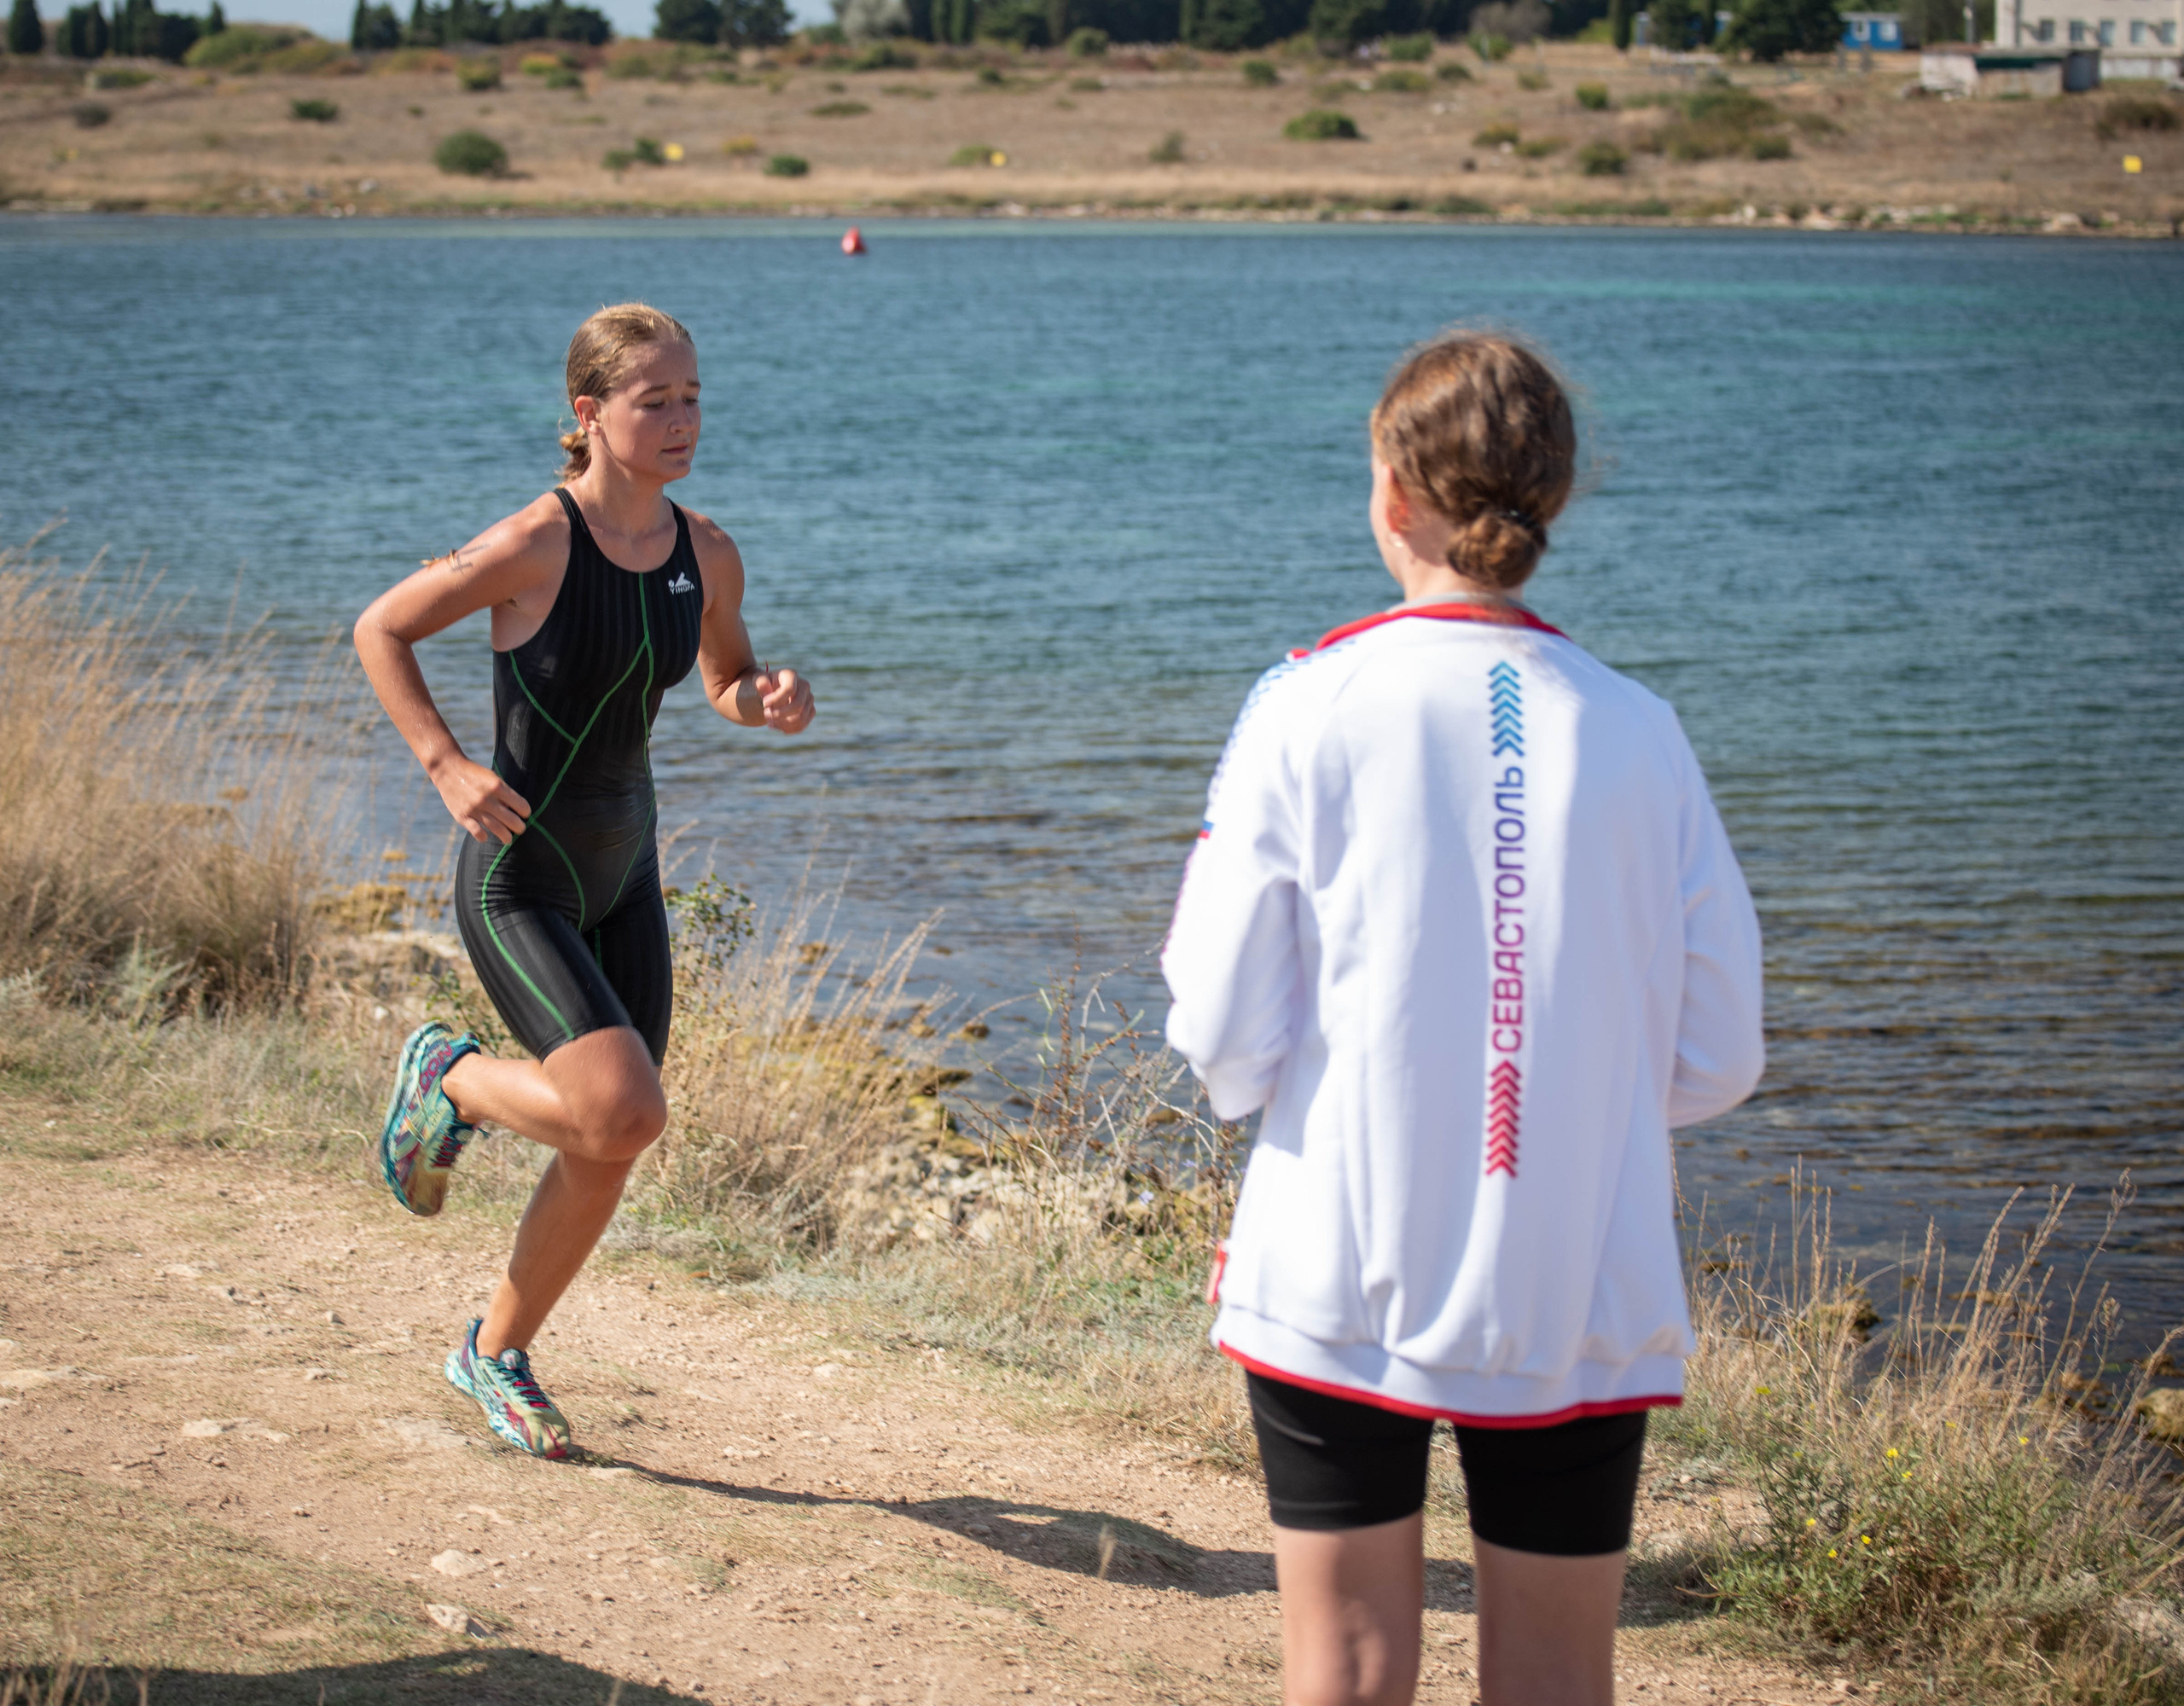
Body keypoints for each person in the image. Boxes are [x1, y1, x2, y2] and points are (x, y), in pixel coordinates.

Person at [1161, 333, 1764, 1706]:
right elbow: (1723, 1050)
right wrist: (1569, 1094)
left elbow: (1221, 1022)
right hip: (1580, 1270)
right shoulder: (1642, 728)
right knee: (1557, 1683)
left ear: (1392, 495)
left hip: (1335, 1255)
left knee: (1350, 1670)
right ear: (1548, 503)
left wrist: (1298, 1084)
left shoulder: (1306, 704)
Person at [353, 302, 815, 1460]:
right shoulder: (534, 545)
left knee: (611, 1140)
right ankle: (450, 1080)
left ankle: (493, 1353)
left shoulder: (706, 550)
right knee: (624, 1110)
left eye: (693, 396)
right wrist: (446, 762)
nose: (680, 421)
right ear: (589, 414)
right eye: (653, 400)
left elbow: (724, 672)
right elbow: (383, 628)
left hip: (627, 872)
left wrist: (763, 700)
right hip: (524, 878)